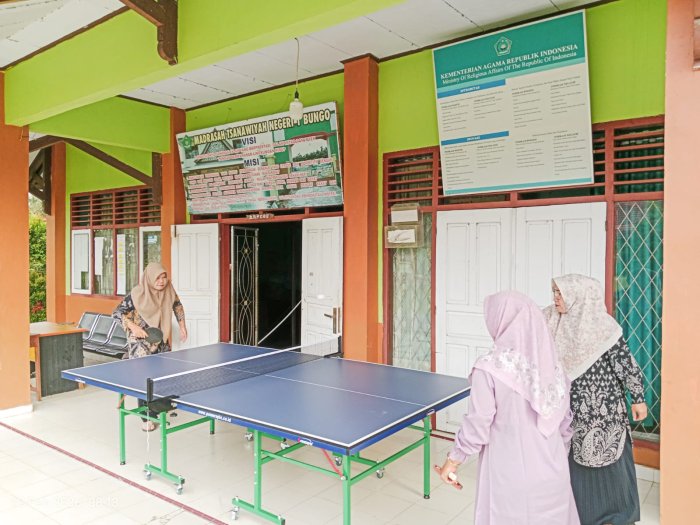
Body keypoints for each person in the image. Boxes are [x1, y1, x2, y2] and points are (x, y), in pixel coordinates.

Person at [438, 291, 580, 525]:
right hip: (553, 470)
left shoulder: (489, 368)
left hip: (509, 475)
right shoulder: (554, 368)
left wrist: (454, 459)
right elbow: (565, 423)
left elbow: (478, 424)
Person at [543, 274, 647, 525]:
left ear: (578, 296)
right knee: (576, 466)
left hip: (605, 412)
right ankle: (582, 516)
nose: (556, 298)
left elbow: (625, 363)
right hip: (571, 411)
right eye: (555, 292)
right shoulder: (552, 320)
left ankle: (619, 517)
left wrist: (638, 397)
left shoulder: (603, 327)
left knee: (611, 463)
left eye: (561, 293)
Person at [113, 262, 187, 431]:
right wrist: (133, 327)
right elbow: (117, 313)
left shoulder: (169, 290)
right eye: (157, 278)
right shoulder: (136, 294)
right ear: (149, 278)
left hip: (160, 340)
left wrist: (182, 326)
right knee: (144, 380)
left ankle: (160, 408)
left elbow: (177, 305)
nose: (161, 281)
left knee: (162, 377)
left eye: (164, 277)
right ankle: (146, 417)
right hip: (140, 343)